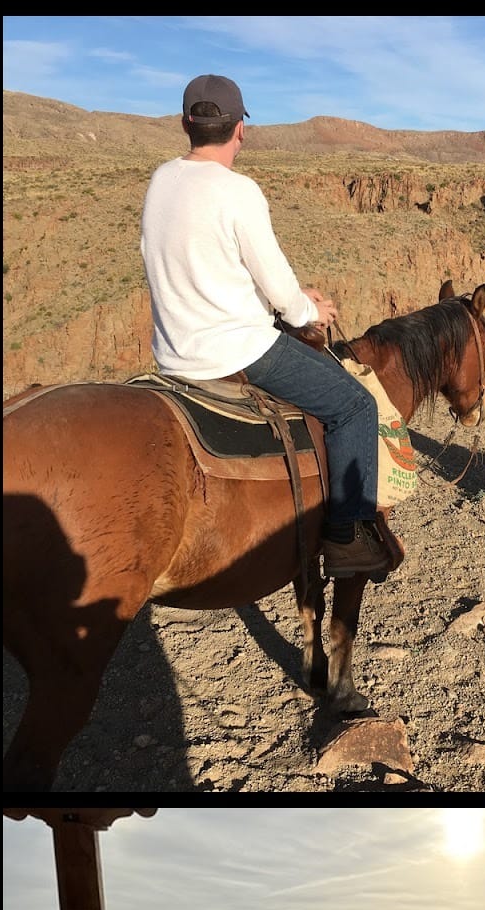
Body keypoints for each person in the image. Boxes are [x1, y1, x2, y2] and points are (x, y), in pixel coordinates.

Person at [140, 74, 387, 578]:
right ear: (240, 130)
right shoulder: (238, 190)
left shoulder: (162, 179)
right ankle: (348, 539)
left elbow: (207, 268)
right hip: (236, 350)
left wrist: (293, 302)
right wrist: (306, 310)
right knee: (354, 406)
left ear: (186, 124)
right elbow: (275, 282)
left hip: (172, 351)